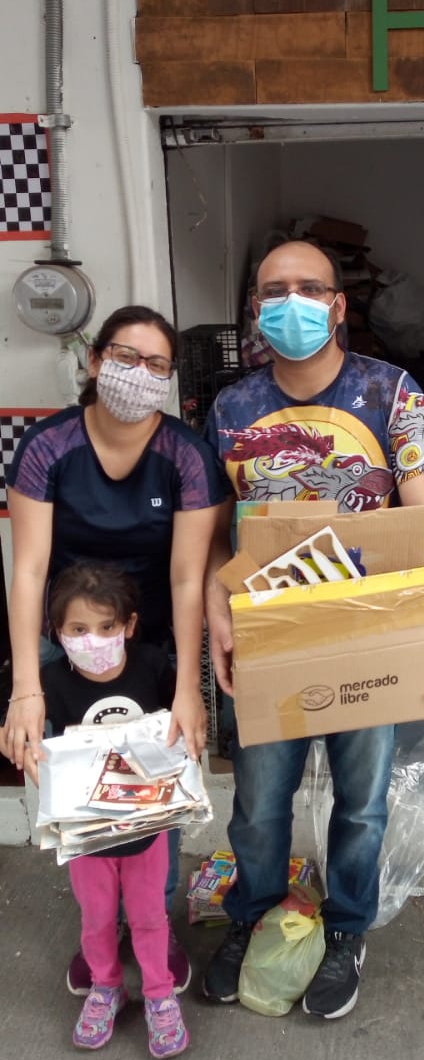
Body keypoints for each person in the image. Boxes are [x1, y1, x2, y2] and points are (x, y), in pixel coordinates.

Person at [202, 238, 424, 1018]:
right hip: (271, 631)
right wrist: (217, 608)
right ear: (255, 309)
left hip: (367, 630)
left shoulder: (390, 393)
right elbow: (215, 529)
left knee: (361, 803)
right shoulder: (230, 408)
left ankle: (347, 929)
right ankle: (254, 917)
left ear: (339, 305)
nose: (292, 303)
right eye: (274, 290)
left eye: (310, 288)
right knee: (259, 805)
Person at [0, 304, 230, 994]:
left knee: (158, 788)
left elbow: (189, 577)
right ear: (96, 361)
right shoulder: (47, 446)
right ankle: (100, 931)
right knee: (82, 788)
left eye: (157, 365)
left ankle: (154, 924)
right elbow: (28, 570)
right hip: (68, 644)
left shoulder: (186, 456)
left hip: (153, 645)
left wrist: (188, 688)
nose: (140, 374)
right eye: (126, 357)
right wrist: (25, 689)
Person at [42, 562, 189, 1057]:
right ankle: (106, 987)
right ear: (57, 631)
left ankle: (160, 994)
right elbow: (27, 735)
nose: (94, 641)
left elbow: (180, 722)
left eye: (107, 627)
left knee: (149, 917)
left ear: (129, 625)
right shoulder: (50, 681)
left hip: (146, 829)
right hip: (88, 834)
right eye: (78, 629)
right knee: (97, 919)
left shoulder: (151, 665)